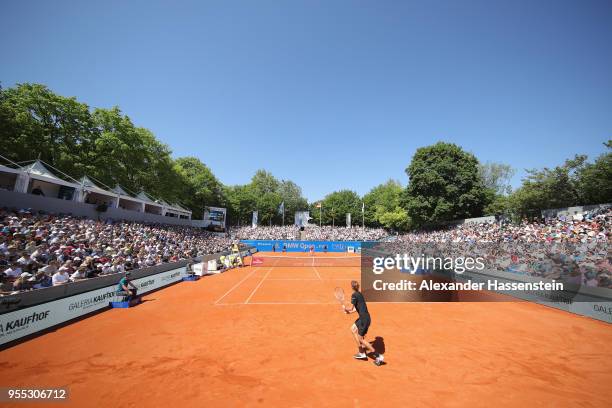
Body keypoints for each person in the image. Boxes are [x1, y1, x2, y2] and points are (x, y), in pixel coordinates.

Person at [343, 280, 384, 366]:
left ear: (352, 287)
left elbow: (351, 308)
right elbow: (357, 308)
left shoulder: (354, 295)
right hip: (364, 318)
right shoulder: (359, 294)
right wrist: (349, 312)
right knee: (353, 329)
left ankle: (378, 356)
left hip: (364, 319)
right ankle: (361, 352)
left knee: (361, 339)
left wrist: (345, 309)